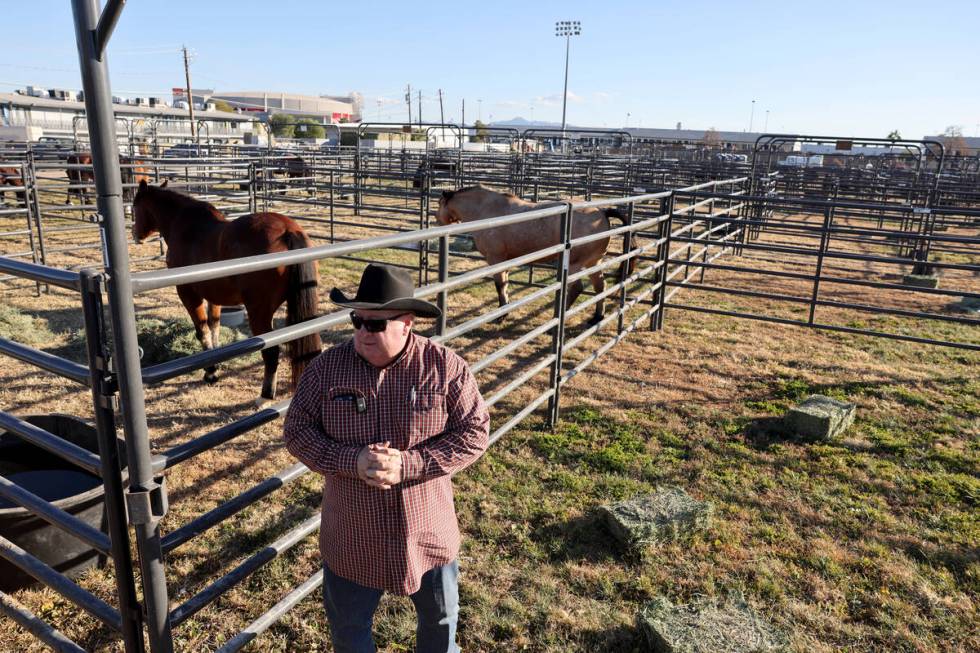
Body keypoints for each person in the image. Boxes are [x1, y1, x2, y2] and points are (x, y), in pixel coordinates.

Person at [284, 263, 490, 653]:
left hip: (427, 534)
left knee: (440, 623)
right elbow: (297, 431)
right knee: (349, 631)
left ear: (407, 323)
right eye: (357, 320)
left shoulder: (445, 367)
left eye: (375, 325)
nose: (363, 332)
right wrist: (351, 460)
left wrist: (409, 465)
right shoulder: (326, 370)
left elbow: (474, 432)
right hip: (353, 534)